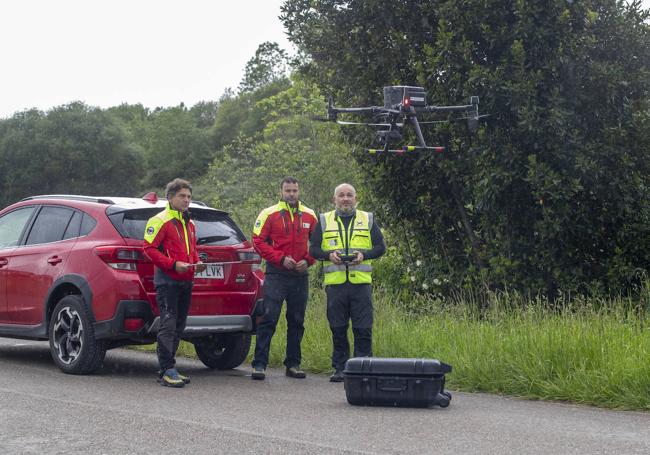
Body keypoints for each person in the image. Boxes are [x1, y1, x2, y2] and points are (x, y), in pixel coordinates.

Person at [309, 183, 386, 382]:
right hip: (335, 285)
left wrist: (364, 255)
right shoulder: (324, 220)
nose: (345, 199)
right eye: (341, 195)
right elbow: (313, 250)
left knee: (363, 328)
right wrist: (328, 255)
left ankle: (363, 368)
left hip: (361, 284)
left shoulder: (367, 219)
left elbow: (380, 247)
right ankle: (340, 368)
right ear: (334, 199)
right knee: (338, 327)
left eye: (349, 195)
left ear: (356, 198)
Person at [251, 177, 317, 380]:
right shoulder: (269, 213)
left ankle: (293, 364)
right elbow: (257, 241)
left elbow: (319, 243)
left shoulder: (310, 214)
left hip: (300, 274)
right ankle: (259, 365)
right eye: (288, 190)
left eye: (295, 190)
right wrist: (279, 259)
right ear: (281, 192)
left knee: (297, 321)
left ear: (299, 191)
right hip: (276, 274)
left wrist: (308, 260)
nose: (291, 194)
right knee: (269, 318)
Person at [143, 178, 206, 388]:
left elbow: (192, 249)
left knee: (180, 325)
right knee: (168, 324)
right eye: (182, 196)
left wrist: (196, 262)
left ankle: (171, 367)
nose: (186, 200)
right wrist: (172, 264)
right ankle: (166, 369)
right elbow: (149, 250)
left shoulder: (190, 222)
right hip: (167, 280)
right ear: (170, 197)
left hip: (186, 281)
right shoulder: (160, 220)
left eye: (189, 196)